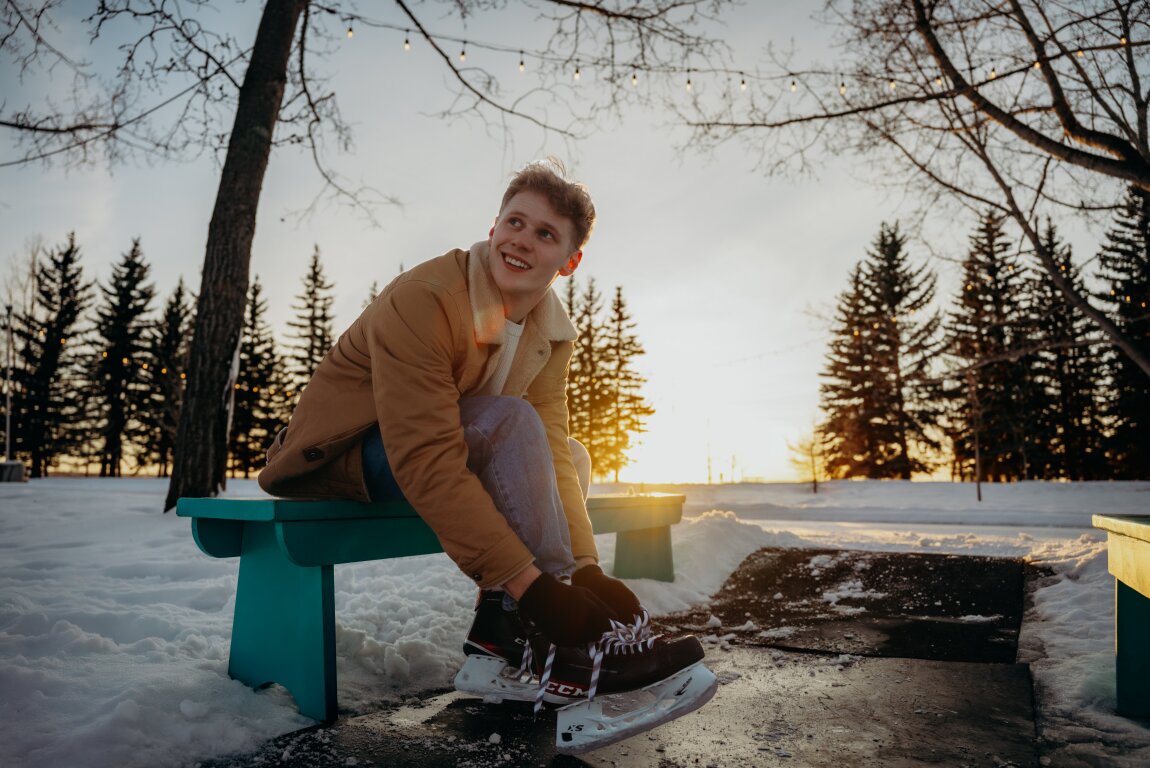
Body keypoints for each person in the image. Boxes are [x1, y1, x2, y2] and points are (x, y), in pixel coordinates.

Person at [258, 159, 703, 709]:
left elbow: (552, 450)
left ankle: (497, 639)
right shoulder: (426, 298)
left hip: (426, 451)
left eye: (545, 234)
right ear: (493, 227)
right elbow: (426, 456)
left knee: (572, 454)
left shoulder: (548, 330)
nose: (522, 241)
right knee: (514, 423)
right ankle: (560, 643)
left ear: (570, 261)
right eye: (515, 222)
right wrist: (538, 588)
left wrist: (586, 568)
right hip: (342, 459)